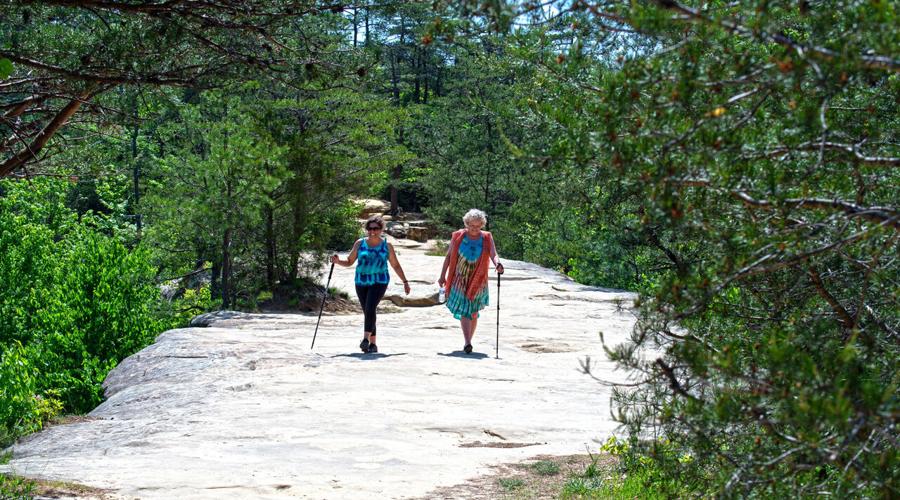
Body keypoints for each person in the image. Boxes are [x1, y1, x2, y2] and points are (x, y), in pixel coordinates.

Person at [332, 215, 410, 353]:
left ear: (381, 229)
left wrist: (405, 281)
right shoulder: (359, 243)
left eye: (376, 228)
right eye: (370, 228)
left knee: (370, 308)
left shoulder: (387, 246)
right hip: (361, 282)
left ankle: (365, 339)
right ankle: (373, 345)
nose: (372, 231)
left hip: (380, 281)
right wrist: (338, 262)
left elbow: (395, 265)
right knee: (368, 311)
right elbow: (349, 261)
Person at [438, 209, 504, 354]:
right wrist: (442, 276)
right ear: (466, 223)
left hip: (478, 279)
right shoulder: (458, 236)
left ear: (482, 225)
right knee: (465, 309)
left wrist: (498, 264)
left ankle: (468, 340)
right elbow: (449, 256)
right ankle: (467, 342)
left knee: (473, 311)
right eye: (472, 225)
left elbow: (493, 254)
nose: (474, 228)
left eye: (478, 226)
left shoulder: (486, 237)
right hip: (460, 278)